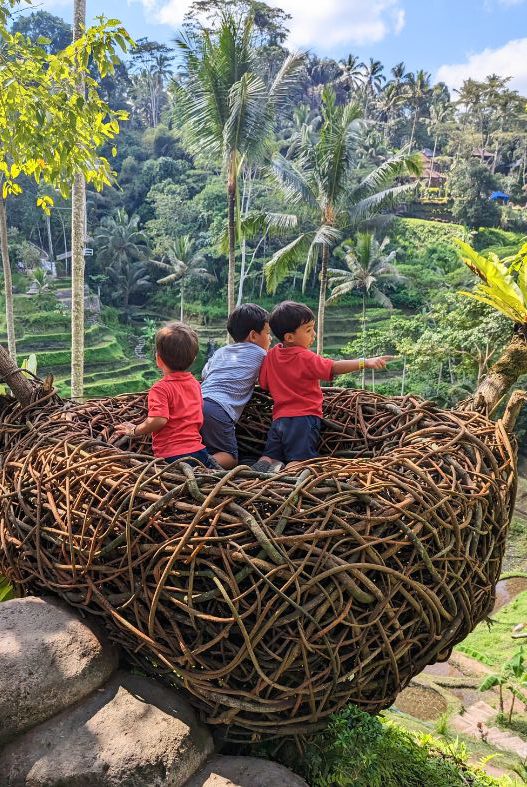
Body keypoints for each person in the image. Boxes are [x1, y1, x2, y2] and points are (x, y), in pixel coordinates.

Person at [253, 301, 393, 472]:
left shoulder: (272, 355)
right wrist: (365, 362)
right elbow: (333, 367)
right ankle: (287, 483)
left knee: (271, 454)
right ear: (289, 337)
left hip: (279, 420)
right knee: (300, 460)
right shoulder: (305, 357)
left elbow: (264, 383)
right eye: (308, 330)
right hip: (303, 419)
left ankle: (264, 465)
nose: (314, 334)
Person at [114, 321, 214, 468]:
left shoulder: (160, 389)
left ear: (158, 359)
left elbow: (158, 420)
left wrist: (134, 430)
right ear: (193, 359)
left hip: (172, 456)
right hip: (199, 451)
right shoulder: (195, 384)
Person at [201, 303, 271, 468]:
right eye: (268, 333)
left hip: (196, 402)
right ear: (253, 336)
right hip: (219, 409)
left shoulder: (221, 352)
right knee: (230, 457)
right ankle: (198, 467)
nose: (270, 339)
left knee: (203, 444)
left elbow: (205, 375)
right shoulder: (262, 355)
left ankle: (190, 459)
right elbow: (267, 382)